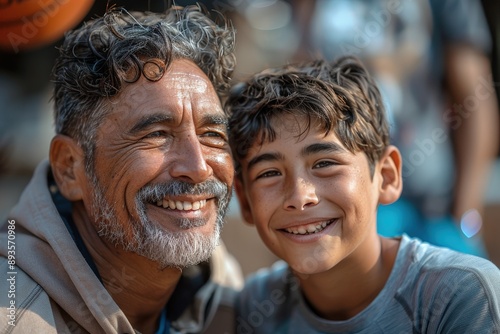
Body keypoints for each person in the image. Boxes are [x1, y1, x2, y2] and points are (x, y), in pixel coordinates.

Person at [0, 5, 243, 334]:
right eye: (156, 135)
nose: (198, 168)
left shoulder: (231, 293)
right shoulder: (14, 318)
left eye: (212, 135)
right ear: (70, 169)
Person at [226, 56, 500, 333]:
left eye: (324, 164)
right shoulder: (254, 306)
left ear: (386, 177)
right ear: (246, 201)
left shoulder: (460, 297)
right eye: (269, 173)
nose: (299, 196)